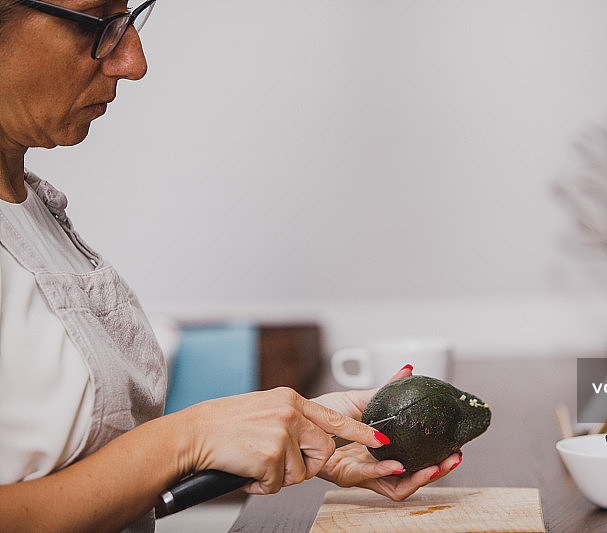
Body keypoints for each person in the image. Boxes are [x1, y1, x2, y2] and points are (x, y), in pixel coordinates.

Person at [0, 1, 463, 531]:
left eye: (130, 18)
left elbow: (72, 469)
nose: (134, 60)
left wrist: (297, 433)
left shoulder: (34, 212)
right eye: (97, 22)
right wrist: (188, 438)